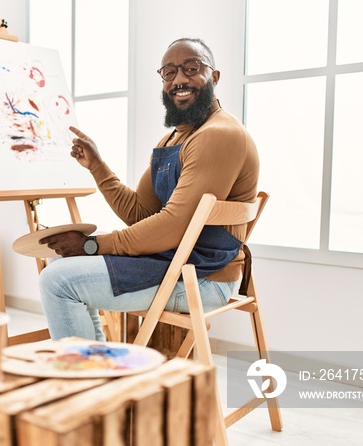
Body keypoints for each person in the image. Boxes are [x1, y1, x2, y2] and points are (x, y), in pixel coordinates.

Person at [38, 37, 259, 341]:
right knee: (61, 263)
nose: (179, 79)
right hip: (175, 262)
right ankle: (98, 369)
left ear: (214, 77)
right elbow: (139, 213)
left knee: (58, 281)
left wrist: (91, 245)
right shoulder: (172, 140)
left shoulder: (220, 134)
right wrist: (98, 167)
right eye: (169, 72)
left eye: (191, 68)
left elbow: (173, 226)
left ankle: (87, 379)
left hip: (203, 277)